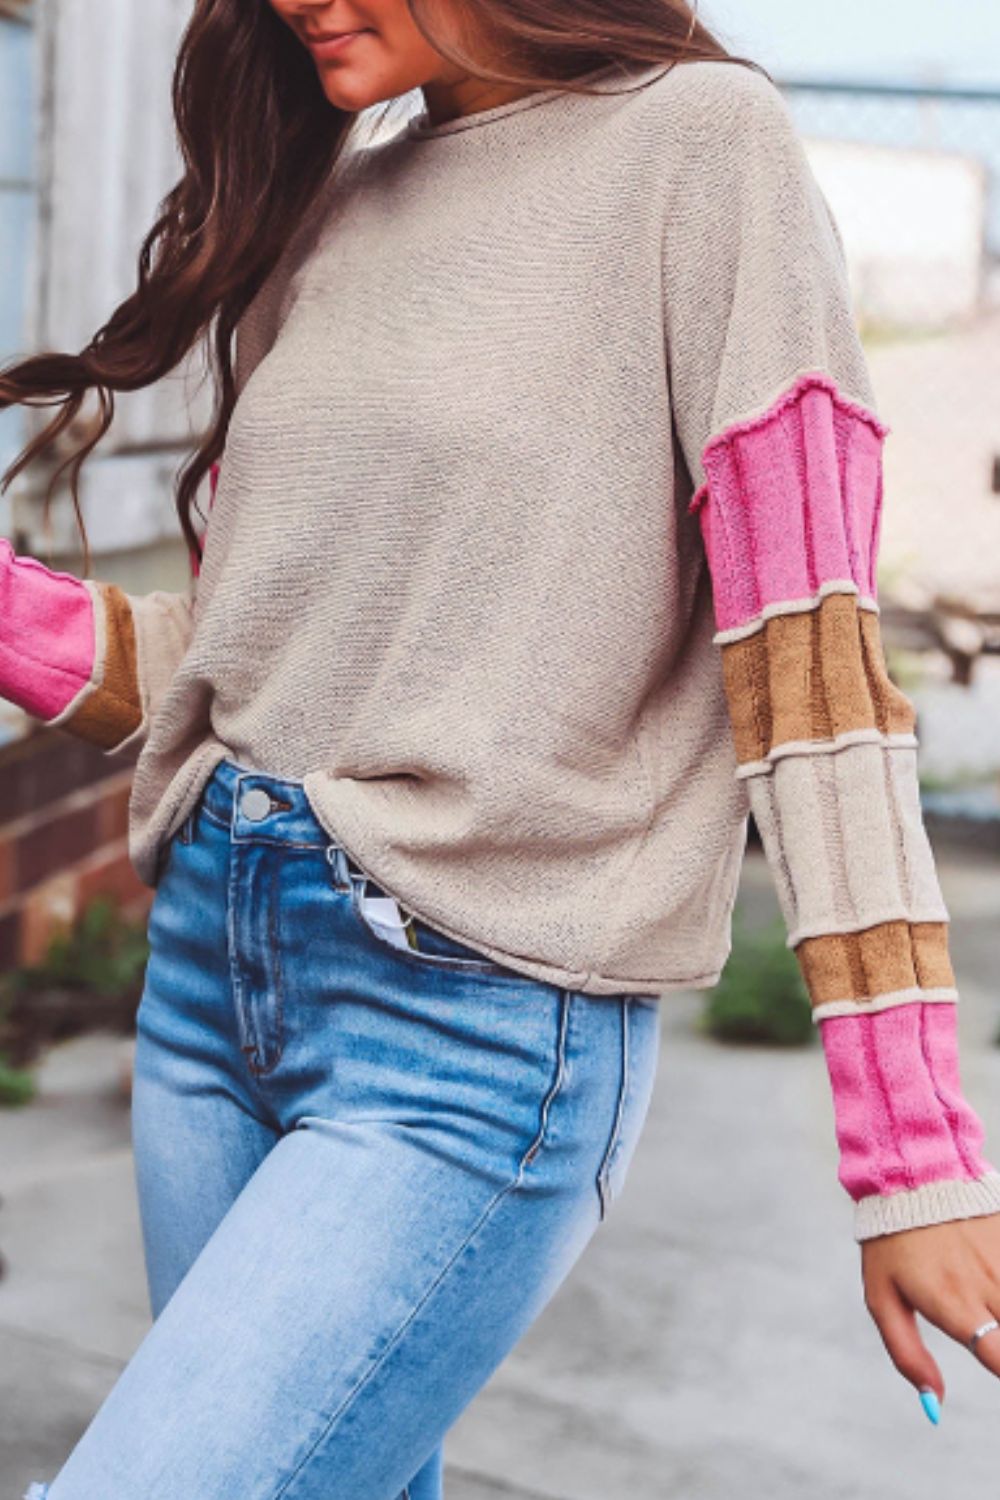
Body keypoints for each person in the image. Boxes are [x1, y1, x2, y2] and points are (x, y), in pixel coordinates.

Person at [3, 1, 1000, 1493]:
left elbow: (813, 682)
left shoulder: (700, 148)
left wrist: (913, 1154)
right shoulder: (336, 195)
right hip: (210, 988)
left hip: (467, 1036)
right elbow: (254, 664)